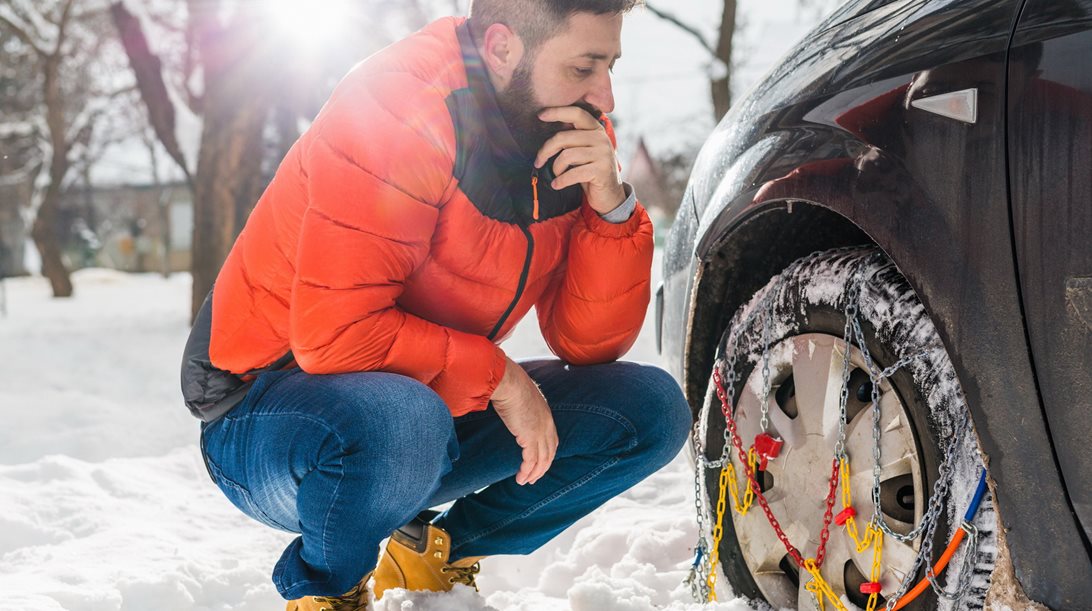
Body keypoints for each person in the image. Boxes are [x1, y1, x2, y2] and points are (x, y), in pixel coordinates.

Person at [180, 1, 691, 609]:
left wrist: (608, 207)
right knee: (403, 421)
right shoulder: (398, 111)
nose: (605, 98)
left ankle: (430, 552)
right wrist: (501, 378)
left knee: (648, 412)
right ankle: (329, 590)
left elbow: (588, 344)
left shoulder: (570, 133)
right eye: (584, 68)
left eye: (609, 66)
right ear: (502, 48)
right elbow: (335, 338)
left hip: (423, 397)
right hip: (270, 413)